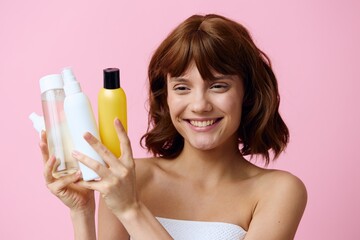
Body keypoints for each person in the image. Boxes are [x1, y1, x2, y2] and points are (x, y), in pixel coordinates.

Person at [40, 14, 307, 240]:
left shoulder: (278, 191)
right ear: (165, 98)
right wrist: (82, 211)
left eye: (218, 86)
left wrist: (131, 209)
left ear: (247, 94)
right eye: (182, 88)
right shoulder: (129, 177)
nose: (199, 105)